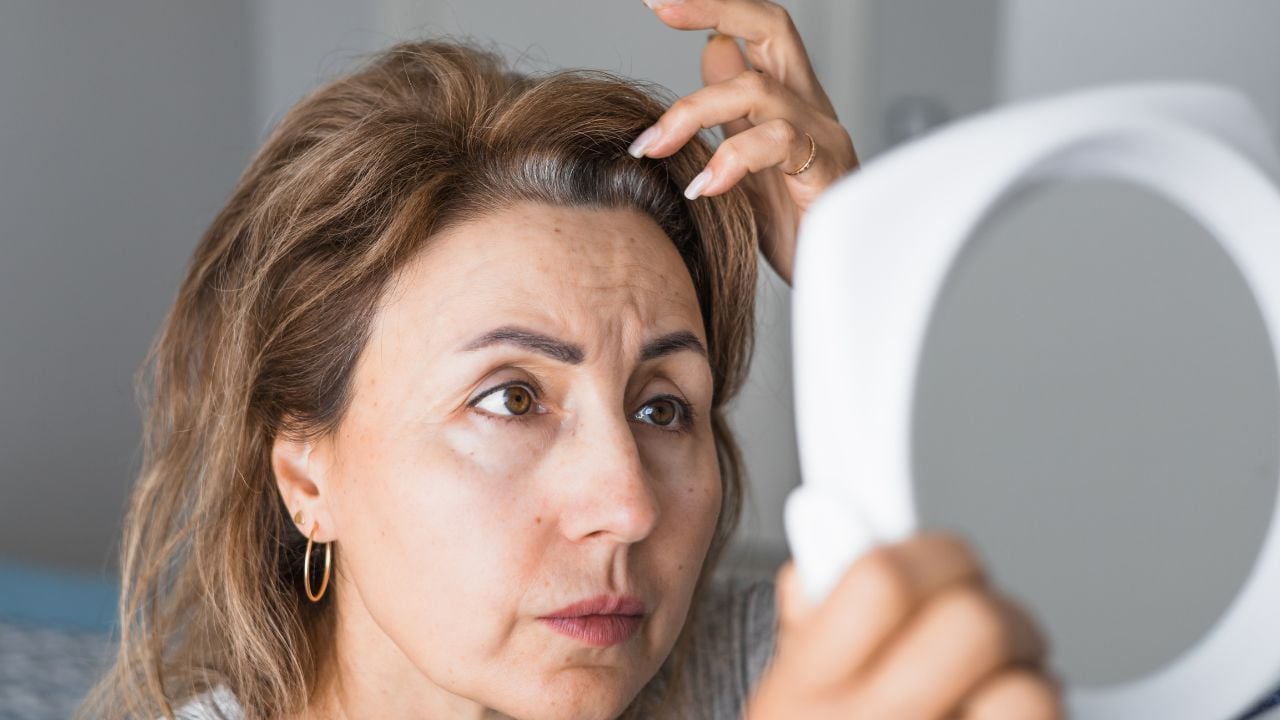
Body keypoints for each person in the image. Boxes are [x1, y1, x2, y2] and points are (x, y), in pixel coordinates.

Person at [79, 1, 1062, 718]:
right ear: (306, 477)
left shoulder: (762, 671)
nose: (627, 504)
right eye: (511, 398)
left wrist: (865, 294)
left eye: (662, 406)